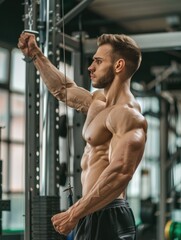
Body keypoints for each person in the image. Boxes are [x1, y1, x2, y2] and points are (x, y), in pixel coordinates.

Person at [18, 32, 147, 240]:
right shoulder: (98, 103)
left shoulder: (128, 114)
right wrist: (36, 55)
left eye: (98, 61)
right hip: (89, 209)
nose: (90, 67)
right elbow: (63, 89)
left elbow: (121, 171)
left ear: (118, 66)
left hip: (108, 212)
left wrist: (74, 212)